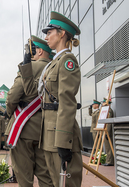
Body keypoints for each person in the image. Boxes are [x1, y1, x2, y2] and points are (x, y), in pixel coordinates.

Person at [31, 11, 82, 187]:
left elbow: (67, 102)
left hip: (60, 136)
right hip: (49, 136)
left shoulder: (67, 61)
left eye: (49, 32)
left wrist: (63, 142)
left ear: (61, 34)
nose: (46, 37)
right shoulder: (54, 62)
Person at [7, 35, 53, 187]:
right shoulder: (55, 68)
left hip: (24, 128)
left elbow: (13, 96)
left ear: (39, 51)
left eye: (33, 50)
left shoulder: (29, 67)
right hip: (46, 129)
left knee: (24, 177)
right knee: (46, 176)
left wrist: (9, 111)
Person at [103, 98, 114, 166]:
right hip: (105, 130)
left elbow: (109, 123)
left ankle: (110, 161)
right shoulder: (105, 110)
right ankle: (108, 160)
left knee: (109, 147)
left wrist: (108, 132)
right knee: (107, 147)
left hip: (107, 131)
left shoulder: (109, 111)